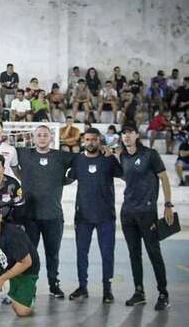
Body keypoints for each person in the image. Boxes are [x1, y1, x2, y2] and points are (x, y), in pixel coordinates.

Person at [119, 123, 173, 311]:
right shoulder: (123, 156)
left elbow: (164, 179)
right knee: (134, 254)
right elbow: (128, 178)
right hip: (127, 213)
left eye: (129, 133)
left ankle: (163, 293)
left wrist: (167, 205)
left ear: (136, 135)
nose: (126, 136)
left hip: (147, 213)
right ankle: (139, 292)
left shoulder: (150, 155)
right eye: (123, 133)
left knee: (153, 253)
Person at [17, 125, 74, 298]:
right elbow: (2, 151)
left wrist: (65, 180)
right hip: (30, 217)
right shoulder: (24, 154)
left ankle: (53, 284)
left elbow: (84, 160)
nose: (42, 138)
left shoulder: (60, 156)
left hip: (53, 216)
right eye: (39, 135)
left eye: (45, 135)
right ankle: (29, 286)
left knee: (52, 254)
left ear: (51, 138)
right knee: (29, 255)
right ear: (33, 138)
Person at [67, 128, 123, 303]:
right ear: (83, 141)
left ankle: (107, 289)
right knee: (81, 254)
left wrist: (114, 154)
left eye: (94, 140)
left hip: (106, 216)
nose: (90, 143)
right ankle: (82, 287)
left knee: (107, 255)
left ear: (100, 140)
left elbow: (124, 173)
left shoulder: (108, 159)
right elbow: (68, 177)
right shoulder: (78, 160)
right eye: (87, 139)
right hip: (82, 216)